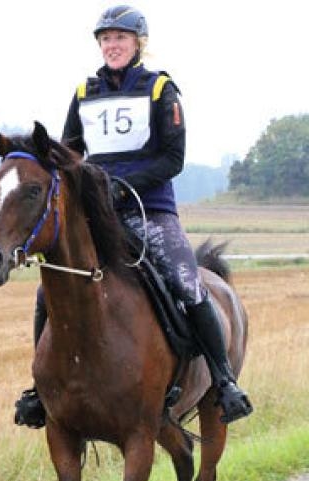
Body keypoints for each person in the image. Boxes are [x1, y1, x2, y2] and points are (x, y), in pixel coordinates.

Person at [14, 5, 253, 428]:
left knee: (185, 281)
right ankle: (39, 392)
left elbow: (173, 158)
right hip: (98, 215)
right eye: (106, 39)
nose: (112, 45)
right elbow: (71, 154)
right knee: (47, 290)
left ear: (138, 43)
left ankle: (223, 380)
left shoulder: (161, 89)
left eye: (120, 38)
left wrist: (124, 186)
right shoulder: (85, 93)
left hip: (150, 210)